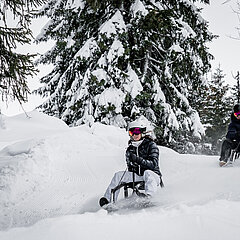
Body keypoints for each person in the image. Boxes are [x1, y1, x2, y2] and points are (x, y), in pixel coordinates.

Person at [99, 119, 162, 207]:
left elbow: (153, 164)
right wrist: (133, 164)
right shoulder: (130, 149)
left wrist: (138, 160)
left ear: (142, 132)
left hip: (153, 176)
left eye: (137, 131)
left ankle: (149, 198)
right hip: (138, 176)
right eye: (132, 132)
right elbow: (130, 169)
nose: (135, 135)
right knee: (118, 175)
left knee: (147, 173)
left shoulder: (151, 145)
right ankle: (108, 201)